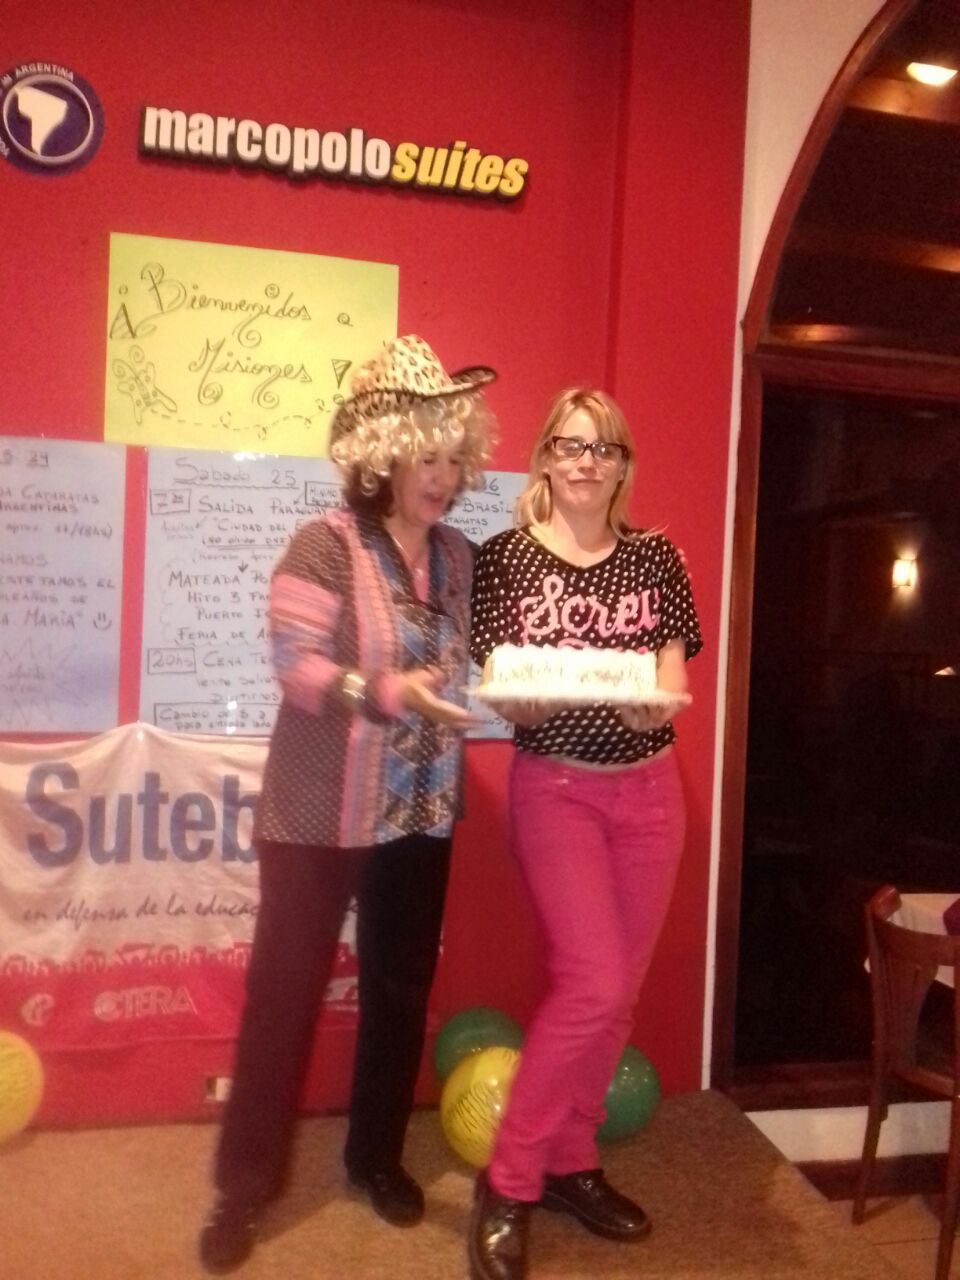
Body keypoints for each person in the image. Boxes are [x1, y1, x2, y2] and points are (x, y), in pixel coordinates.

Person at [199, 334, 496, 1274]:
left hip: (420, 811)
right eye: (425, 457)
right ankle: (244, 1186)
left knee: (399, 990)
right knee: (282, 995)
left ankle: (375, 1157)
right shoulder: (321, 544)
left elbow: (479, 658)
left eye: (453, 458)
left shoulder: (460, 557)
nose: (443, 477)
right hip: (317, 812)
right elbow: (297, 668)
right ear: (382, 455)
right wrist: (389, 692)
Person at [466, 387, 701, 1280]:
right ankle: (509, 1177)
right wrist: (523, 701)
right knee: (592, 982)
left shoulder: (655, 558)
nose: (586, 462)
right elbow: (505, 684)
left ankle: (570, 1159)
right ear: (543, 457)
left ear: (623, 466)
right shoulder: (505, 558)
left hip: (649, 795)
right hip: (557, 790)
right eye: (570, 445)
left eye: (604, 448)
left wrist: (656, 705)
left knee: (618, 995)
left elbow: (670, 679)